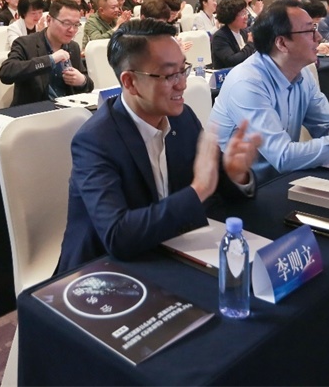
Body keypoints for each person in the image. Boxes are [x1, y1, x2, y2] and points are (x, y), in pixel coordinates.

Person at [57, 19, 262, 271]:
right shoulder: (95, 140)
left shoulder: (183, 118)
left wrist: (236, 174)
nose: (182, 83)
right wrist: (197, 190)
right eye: (169, 75)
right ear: (130, 82)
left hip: (168, 246)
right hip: (102, 268)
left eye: (183, 70)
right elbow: (118, 234)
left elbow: (217, 186)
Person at [208, 0, 329, 184]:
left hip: (281, 179)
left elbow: (327, 128)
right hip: (239, 189)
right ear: (282, 43)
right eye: (309, 31)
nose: (318, 37)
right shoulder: (247, 83)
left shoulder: (302, 73)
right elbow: (282, 156)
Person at [0, 0, 93, 106]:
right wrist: (50, 60)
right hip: (35, 111)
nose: (72, 30)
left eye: (76, 25)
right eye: (66, 23)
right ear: (49, 20)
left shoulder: (73, 47)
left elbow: (88, 85)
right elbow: (6, 73)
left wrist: (82, 81)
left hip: (67, 110)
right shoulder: (25, 44)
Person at [211, 0, 255, 69]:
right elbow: (232, 61)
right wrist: (250, 44)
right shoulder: (220, 37)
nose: (246, 17)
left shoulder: (244, 32)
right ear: (231, 15)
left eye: (246, 12)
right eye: (242, 13)